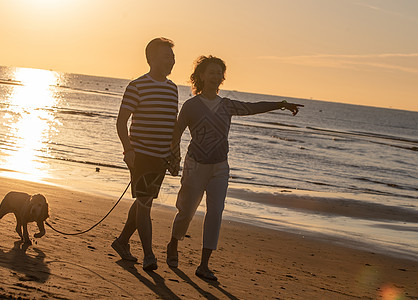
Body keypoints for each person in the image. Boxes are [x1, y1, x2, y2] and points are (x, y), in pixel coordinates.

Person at [166, 55, 303, 280]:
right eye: (211, 72)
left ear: (223, 78)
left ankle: (204, 265)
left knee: (215, 213)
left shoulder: (227, 105)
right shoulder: (191, 106)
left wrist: (280, 104)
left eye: (219, 73)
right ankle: (173, 243)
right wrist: (173, 158)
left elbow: (252, 107)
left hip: (220, 167)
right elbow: (177, 132)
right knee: (186, 210)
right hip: (195, 165)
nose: (215, 76)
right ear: (201, 76)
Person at [112, 37, 178, 271]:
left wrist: (174, 155)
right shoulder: (137, 86)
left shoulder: (172, 89)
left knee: (143, 201)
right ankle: (149, 255)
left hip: (160, 158)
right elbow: (121, 122)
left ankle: (121, 242)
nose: (171, 61)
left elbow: (172, 126)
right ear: (151, 59)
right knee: (145, 203)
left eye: (172, 57)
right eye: (166, 56)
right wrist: (128, 150)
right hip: (140, 155)